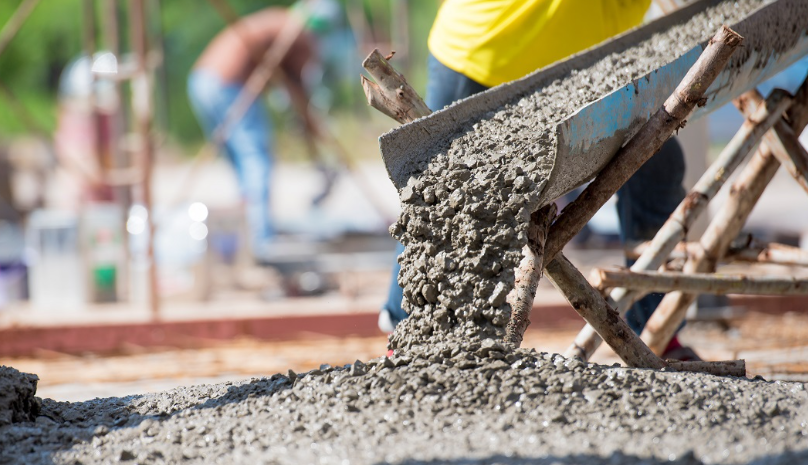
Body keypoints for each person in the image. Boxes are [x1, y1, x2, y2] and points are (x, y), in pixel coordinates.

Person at [380, 0, 697, 360]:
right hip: (488, 51)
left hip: (592, 64)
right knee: (443, 199)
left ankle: (659, 330)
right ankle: (408, 338)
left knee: (656, 164)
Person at [188, 2, 336, 259]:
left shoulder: (278, 22)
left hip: (202, 81)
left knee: (241, 163)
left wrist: (306, 120)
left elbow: (291, 84)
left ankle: (249, 230)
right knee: (256, 157)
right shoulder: (298, 35)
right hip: (228, 84)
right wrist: (311, 125)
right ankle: (260, 239)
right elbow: (299, 87)